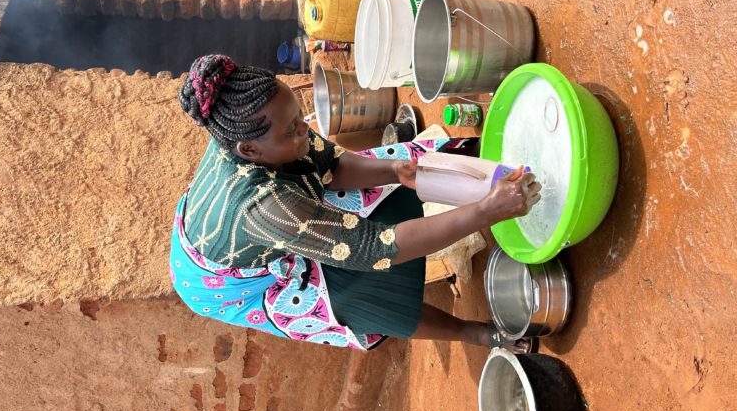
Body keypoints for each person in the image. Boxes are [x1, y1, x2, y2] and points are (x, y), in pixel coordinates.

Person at [170, 55, 541, 351]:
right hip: (224, 281)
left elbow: (334, 166)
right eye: (292, 130)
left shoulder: (255, 128)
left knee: (389, 178)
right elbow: (374, 248)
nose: (305, 129)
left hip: (241, 217)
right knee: (354, 294)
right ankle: (472, 333)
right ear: (249, 150)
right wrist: (484, 212)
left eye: (300, 117)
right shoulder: (266, 205)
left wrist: (396, 171)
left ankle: (483, 169)